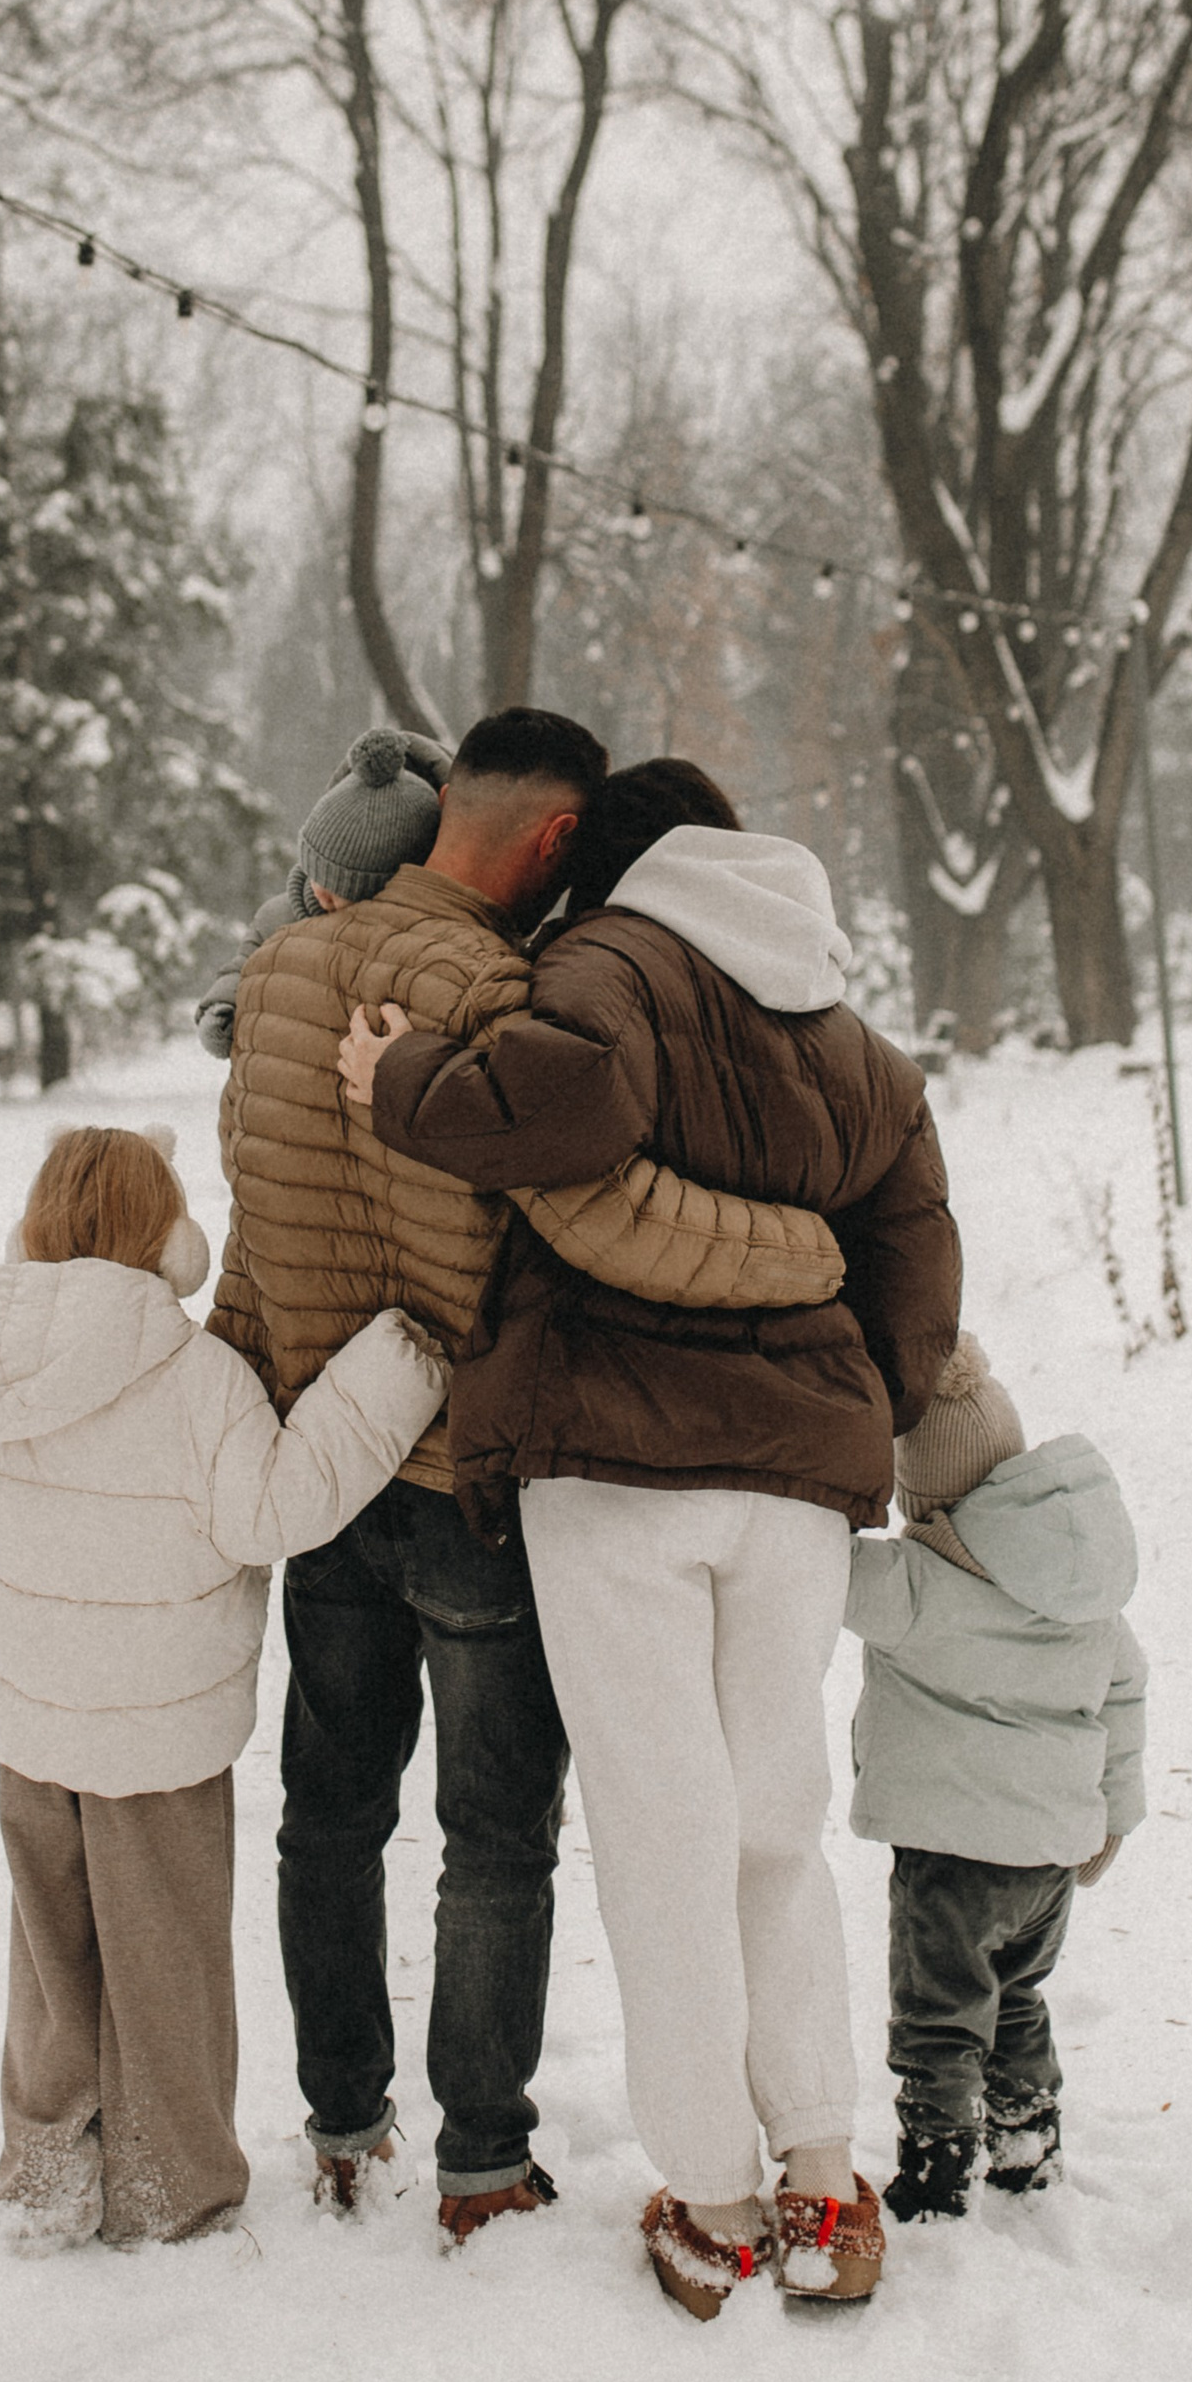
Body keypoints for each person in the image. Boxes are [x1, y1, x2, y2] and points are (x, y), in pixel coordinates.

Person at [210, 710, 842, 2244]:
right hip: (471, 1477)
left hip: (319, 1467)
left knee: (329, 1813)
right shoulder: (506, 994)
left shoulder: (280, 974)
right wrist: (797, 1253)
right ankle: (483, 2159)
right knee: (496, 1835)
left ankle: (347, 2123)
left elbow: (253, 1211)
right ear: (559, 841)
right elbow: (577, 1217)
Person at [340, 759, 960, 2319]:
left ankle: (719, 2198)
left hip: (615, 1457)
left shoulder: (613, 961)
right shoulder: (838, 1011)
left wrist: (402, 1081)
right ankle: (826, 2176)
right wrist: (857, 1402)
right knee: (773, 1817)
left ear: (614, 864)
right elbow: (915, 1241)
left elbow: (562, 1101)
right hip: (793, 1478)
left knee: (663, 1824)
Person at [0, 1124, 447, 2253]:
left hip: (33, 1728)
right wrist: (390, 1370)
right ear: (167, 1235)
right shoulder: (198, 1377)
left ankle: (44, 2173)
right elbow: (271, 1511)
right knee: (166, 1961)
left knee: (50, 1960)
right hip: (160, 1738)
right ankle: (168, 2180)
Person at [844, 1332, 1148, 2221]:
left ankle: (937, 2174)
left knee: (940, 2019)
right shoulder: (1086, 1594)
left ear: (925, 1496)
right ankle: (1027, 2139)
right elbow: (1125, 1694)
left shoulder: (915, 1581)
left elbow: (813, 1569)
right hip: (1052, 1862)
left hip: (953, 1860)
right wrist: (1113, 1814)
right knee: (1015, 1997)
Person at [193, 726, 450, 1059]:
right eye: (316, 872)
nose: (320, 891)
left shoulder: (409, 943)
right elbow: (244, 964)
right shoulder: (280, 915)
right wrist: (224, 1003)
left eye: (341, 887)